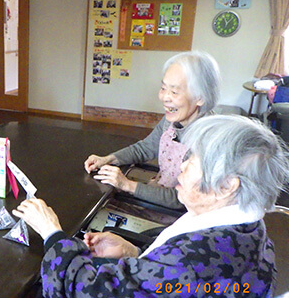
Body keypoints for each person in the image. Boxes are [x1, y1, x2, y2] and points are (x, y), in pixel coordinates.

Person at [10, 115, 288, 298]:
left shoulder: (195, 261)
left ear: (227, 186)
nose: (181, 165)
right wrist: (135, 254)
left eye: (193, 161)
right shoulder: (250, 231)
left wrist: (52, 233)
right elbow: (173, 288)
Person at [84, 51, 221, 210]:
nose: (165, 97)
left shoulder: (208, 139)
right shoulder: (174, 118)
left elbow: (180, 199)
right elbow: (146, 147)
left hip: (175, 215)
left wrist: (127, 185)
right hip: (158, 192)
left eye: (174, 92)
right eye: (163, 88)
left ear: (201, 97)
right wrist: (108, 159)